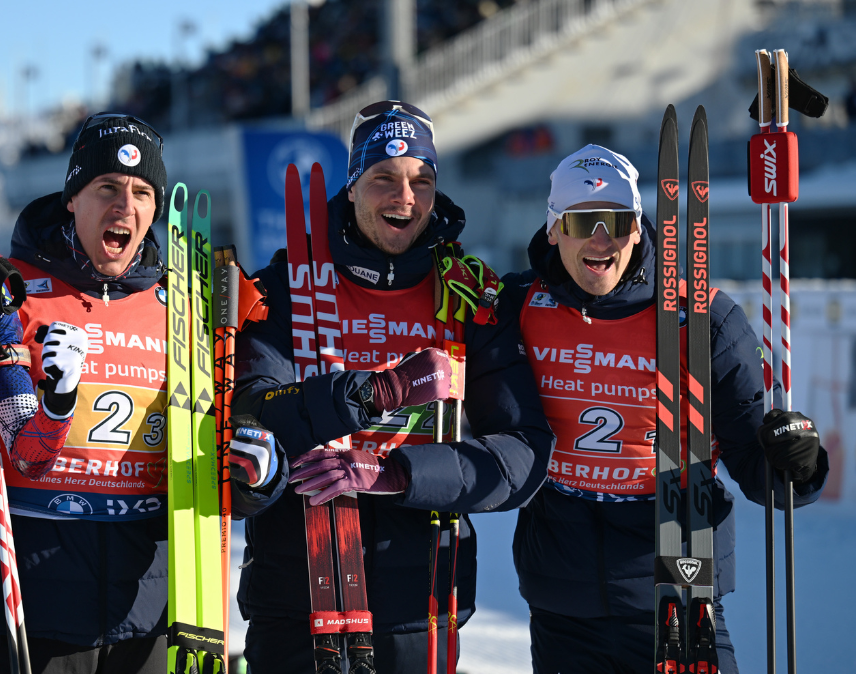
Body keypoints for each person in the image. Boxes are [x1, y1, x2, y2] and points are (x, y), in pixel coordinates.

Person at [228, 100, 555, 674]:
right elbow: (255, 413)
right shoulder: (285, 286)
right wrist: (377, 391)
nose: (405, 197)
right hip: (295, 597)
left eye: (422, 180)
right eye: (384, 178)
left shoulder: (468, 296)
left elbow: (523, 453)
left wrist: (397, 475)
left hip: (422, 597)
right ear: (352, 186)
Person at [0, 113, 286, 674]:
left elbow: (222, 452)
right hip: (35, 608)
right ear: (72, 198)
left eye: (142, 192)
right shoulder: (11, 291)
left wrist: (263, 472)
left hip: (154, 608)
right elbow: (14, 438)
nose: (125, 206)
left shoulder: (186, 309)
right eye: (107, 188)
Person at [500, 144, 830, 674]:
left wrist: (798, 460)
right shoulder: (516, 307)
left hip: (678, 590)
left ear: (638, 227)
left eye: (618, 220)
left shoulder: (703, 321)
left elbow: (759, 471)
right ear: (554, 227)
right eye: (585, 222)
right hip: (561, 602)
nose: (602, 239)